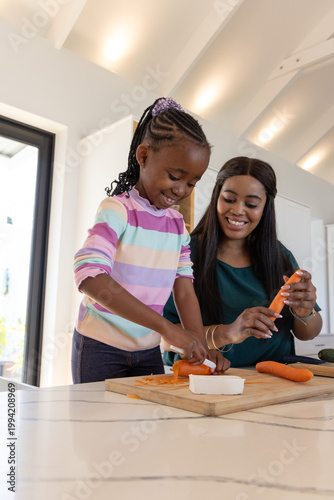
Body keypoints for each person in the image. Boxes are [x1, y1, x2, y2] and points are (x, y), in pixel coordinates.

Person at [72, 97, 230, 383]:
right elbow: (88, 275)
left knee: (150, 424)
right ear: (143, 156)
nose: (182, 190)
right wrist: (167, 329)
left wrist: (201, 347)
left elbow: (183, 290)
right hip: (100, 347)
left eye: (192, 183)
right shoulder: (117, 210)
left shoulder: (178, 226)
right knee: (97, 427)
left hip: (147, 351)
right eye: (174, 176)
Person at [163, 156, 322, 367]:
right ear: (216, 197)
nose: (238, 210)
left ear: (265, 208)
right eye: (229, 199)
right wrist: (229, 332)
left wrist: (305, 311)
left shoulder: (280, 256)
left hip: (274, 380)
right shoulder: (186, 253)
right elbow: (165, 337)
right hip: (205, 378)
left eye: (251, 204)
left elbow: (308, 334)